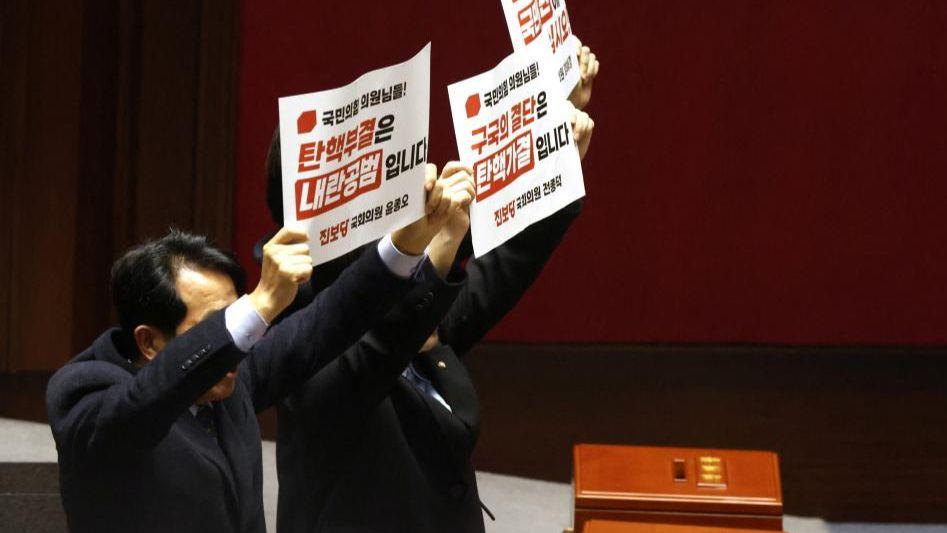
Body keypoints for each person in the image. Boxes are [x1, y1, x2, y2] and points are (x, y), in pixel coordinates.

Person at [265, 44, 599, 532]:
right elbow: (381, 346)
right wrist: (439, 245)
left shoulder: (412, 302)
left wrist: (554, 151)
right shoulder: (300, 333)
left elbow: (500, 272)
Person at [45, 170, 474, 533]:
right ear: (150, 341)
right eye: (213, 324)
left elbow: (330, 319)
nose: (235, 339)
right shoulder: (84, 393)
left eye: (234, 315)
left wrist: (407, 244)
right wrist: (260, 304)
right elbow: (141, 406)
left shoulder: (232, 381)